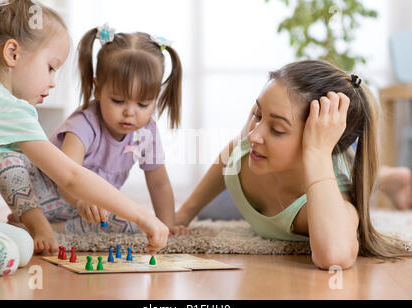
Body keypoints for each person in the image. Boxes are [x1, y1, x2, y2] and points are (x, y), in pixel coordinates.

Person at [0, 1, 168, 276]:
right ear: (12, 53)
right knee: (6, 254)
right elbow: (71, 176)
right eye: (50, 67)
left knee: (22, 243)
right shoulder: (8, 107)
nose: (53, 81)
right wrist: (143, 216)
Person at [177, 60, 412, 270]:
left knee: (353, 172)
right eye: (257, 114)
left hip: (318, 172)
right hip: (261, 179)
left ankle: (388, 178)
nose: (253, 136)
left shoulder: (329, 203)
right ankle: (390, 177)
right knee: (209, 210)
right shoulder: (254, 140)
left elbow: (335, 256)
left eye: (278, 130)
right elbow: (232, 153)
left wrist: (318, 153)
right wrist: (185, 212)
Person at [0, 24, 186, 254]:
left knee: (135, 224)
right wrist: (81, 200)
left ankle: (58, 229)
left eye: (143, 104)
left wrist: (166, 223)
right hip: (40, 195)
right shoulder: (84, 124)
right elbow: (68, 176)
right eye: (118, 101)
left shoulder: (147, 133)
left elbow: (159, 183)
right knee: (7, 159)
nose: (130, 112)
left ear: (156, 98)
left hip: (84, 211)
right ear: (97, 89)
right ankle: (35, 223)